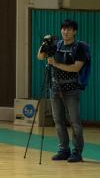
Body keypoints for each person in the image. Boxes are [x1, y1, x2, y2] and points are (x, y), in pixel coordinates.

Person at [38, 18, 91, 162]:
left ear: (74, 31)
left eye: (69, 29)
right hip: (55, 88)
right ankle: (63, 150)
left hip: (71, 89)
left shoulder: (79, 47)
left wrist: (55, 63)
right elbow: (40, 56)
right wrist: (44, 44)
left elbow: (76, 67)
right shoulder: (57, 45)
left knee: (74, 121)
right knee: (58, 121)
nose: (65, 31)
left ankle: (77, 152)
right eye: (63, 29)